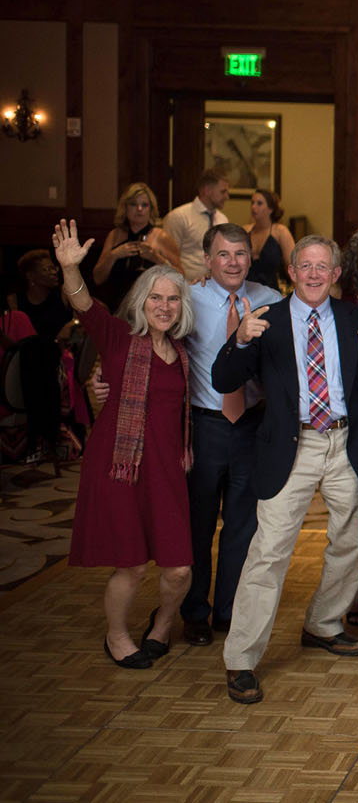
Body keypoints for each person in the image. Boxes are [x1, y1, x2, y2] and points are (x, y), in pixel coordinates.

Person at [212, 234, 358, 705]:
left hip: (345, 442)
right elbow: (223, 379)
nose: (315, 274)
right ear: (293, 272)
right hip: (292, 446)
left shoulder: (357, 318)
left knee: (352, 539)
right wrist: (240, 339)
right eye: (306, 266)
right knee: (269, 551)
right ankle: (241, 658)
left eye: (324, 266)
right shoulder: (267, 320)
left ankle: (323, 623)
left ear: (336, 274)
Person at [52, 220, 195, 669]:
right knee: (130, 565)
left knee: (179, 569)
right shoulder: (117, 337)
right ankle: (116, 636)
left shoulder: (184, 352)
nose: (164, 306)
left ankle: (161, 626)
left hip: (167, 470)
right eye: (156, 298)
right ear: (140, 301)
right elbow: (84, 303)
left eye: (173, 299)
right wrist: (70, 268)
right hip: (120, 467)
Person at [179, 224, 285, 647]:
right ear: (208, 260)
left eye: (241, 254)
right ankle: (194, 612)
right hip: (204, 426)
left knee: (242, 525)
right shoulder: (187, 298)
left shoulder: (269, 299)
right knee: (199, 524)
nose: (233, 262)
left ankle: (227, 610)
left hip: (251, 426)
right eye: (224, 254)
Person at [93, 182, 181, 309]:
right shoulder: (115, 235)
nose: (139, 209)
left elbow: (180, 277)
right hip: (115, 304)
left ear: (151, 209)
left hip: (149, 308)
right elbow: (97, 278)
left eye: (144, 205)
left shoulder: (161, 237)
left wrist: (156, 258)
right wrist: (114, 255)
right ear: (125, 208)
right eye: (134, 204)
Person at [166, 168, 231, 282]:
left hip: (215, 285)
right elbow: (168, 258)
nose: (227, 197)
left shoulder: (223, 220)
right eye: (223, 192)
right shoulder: (179, 217)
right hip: (186, 285)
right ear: (207, 190)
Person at [11, 249, 73, 343]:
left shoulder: (63, 294)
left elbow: (86, 315)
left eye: (54, 268)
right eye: (48, 269)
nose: (54, 272)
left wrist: (71, 325)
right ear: (30, 276)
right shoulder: (14, 301)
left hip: (61, 351)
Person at [244, 189, 295, 291]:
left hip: (271, 292)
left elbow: (292, 266)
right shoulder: (245, 231)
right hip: (246, 291)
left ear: (270, 209)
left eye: (259, 203)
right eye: (252, 203)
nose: (253, 207)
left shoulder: (280, 231)